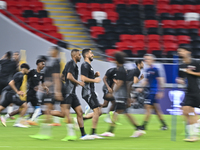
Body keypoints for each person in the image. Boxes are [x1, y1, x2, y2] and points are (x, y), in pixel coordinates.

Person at [51, 49, 93, 140]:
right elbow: (69, 76)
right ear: (74, 56)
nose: (80, 56)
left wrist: (65, 84)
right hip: (67, 93)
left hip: (72, 93)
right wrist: (78, 82)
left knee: (79, 112)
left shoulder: (72, 65)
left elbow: (62, 77)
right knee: (65, 114)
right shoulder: (71, 64)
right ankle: (70, 134)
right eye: (79, 55)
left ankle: (83, 135)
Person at [101, 52, 145, 138]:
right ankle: (138, 129)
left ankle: (111, 131)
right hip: (123, 94)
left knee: (118, 112)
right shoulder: (122, 69)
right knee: (123, 112)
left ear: (116, 60)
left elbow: (121, 83)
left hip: (121, 95)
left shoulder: (120, 70)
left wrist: (113, 92)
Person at [30, 46, 63, 140]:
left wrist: (57, 91)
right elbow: (51, 80)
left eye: (51, 50)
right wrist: (41, 86)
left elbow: (56, 78)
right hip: (49, 90)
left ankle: (44, 133)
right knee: (51, 111)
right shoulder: (54, 63)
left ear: (56, 51)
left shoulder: (56, 63)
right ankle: (45, 132)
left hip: (51, 91)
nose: (50, 51)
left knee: (48, 111)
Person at [176, 46, 200, 142]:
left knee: (191, 112)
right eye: (179, 51)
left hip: (198, 90)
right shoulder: (181, 65)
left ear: (188, 52)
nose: (180, 52)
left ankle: (196, 125)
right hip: (189, 91)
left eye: (182, 51)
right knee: (186, 111)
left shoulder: (196, 62)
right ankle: (193, 135)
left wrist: (190, 72)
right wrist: (179, 80)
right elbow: (181, 77)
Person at [138, 54, 167, 131]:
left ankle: (143, 126)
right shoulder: (147, 70)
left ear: (152, 60)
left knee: (147, 107)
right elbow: (146, 81)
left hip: (153, 92)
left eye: (148, 59)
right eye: (145, 59)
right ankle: (164, 125)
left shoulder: (156, 69)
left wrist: (161, 91)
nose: (146, 60)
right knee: (157, 109)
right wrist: (140, 87)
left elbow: (161, 80)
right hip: (149, 91)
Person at [81, 48, 102, 139]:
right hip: (88, 92)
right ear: (86, 55)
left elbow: (87, 78)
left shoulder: (89, 66)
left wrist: (94, 76)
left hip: (90, 91)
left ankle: (81, 119)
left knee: (99, 112)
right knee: (97, 111)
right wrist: (95, 80)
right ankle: (93, 133)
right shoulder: (85, 65)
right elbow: (83, 78)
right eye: (91, 53)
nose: (92, 54)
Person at [0, 63, 29, 127]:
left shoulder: (20, 75)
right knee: (25, 106)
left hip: (9, 94)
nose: (28, 71)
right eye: (28, 69)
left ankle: (4, 118)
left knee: (1, 108)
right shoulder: (20, 75)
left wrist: (19, 92)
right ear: (24, 69)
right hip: (11, 94)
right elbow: (11, 83)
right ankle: (18, 123)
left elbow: (15, 85)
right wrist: (17, 92)